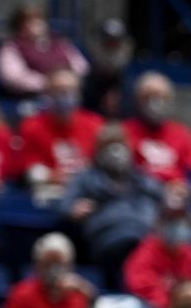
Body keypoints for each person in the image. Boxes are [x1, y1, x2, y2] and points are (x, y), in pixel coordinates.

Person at [60, 123, 164, 286]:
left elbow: (168, 200)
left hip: (143, 235)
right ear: (99, 150)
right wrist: (75, 209)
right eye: (109, 146)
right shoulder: (86, 178)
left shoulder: (141, 179)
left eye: (120, 145)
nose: (116, 152)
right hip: (107, 238)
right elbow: (64, 205)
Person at [17, 69, 105, 192]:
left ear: (79, 93)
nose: (66, 95)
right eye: (59, 90)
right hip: (50, 189)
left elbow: (103, 164)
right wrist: (52, 176)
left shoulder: (95, 124)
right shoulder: (32, 126)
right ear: (48, 94)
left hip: (89, 188)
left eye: (71, 90)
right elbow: (30, 169)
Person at [2, 233, 95, 308]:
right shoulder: (22, 294)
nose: (54, 270)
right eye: (48, 264)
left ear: (70, 265)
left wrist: (92, 302)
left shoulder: (81, 295)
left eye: (59, 264)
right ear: (37, 265)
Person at [123, 71, 191, 186]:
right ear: (138, 100)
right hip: (139, 194)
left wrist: (187, 190)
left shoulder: (182, 134)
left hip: (175, 194)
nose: (155, 102)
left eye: (161, 97)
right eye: (148, 96)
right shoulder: (125, 131)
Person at [123, 194, 191, 308]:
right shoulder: (144, 255)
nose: (177, 226)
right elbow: (144, 290)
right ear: (159, 223)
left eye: (181, 221)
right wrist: (172, 307)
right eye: (171, 221)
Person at [0, 4, 89, 98]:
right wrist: (48, 83)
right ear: (19, 26)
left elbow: (81, 66)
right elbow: (13, 78)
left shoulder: (59, 42)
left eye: (39, 20)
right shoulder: (11, 47)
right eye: (29, 21)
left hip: (70, 92)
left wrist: (68, 79)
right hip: (36, 97)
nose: (36, 24)